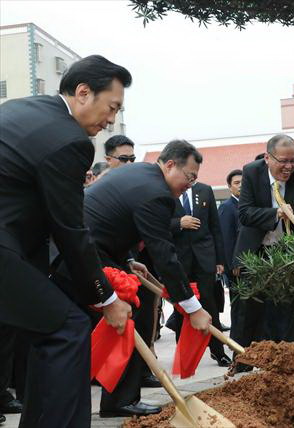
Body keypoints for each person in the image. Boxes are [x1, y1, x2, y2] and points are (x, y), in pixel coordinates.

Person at [0, 55, 133, 428]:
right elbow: (70, 229)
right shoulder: (70, 141)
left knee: (47, 325)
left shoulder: (22, 109)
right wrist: (106, 298)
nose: (110, 120)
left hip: (13, 244)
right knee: (67, 328)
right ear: (83, 93)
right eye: (112, 107)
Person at [56, 139, 212, 418]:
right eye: (189, 177)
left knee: (123, 315)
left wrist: (127, 261)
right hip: (83, 255)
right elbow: (164, 253)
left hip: (90, 250)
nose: (190, 184)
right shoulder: (156, 193)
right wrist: (193, 308)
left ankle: (117, 397)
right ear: (170, 165)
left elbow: (116, 218)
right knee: (123, 313)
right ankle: (115, 400)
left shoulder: (141, 174)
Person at [232, 134, 294, 357]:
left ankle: (288, 356)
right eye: (283, 161)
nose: (289, 166)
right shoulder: (252, 172)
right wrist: (275, 213)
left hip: (287, 252)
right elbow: (244, 213)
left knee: (288, 307)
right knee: (249, 307)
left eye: (293, 160)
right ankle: (244, 358)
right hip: (255, 251)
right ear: (267, 157)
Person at [167, 181, 230, 367]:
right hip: (178, 259)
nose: (191, 175)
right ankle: (184, 354)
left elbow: (215, 227)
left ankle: (218, 352)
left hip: (204, 257)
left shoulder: (205, 190)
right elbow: (158, 224)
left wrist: (219, 260)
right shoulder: (167, 189)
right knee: (181, 306)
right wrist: (179, 223)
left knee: (210, 304)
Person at [218, 170, 243, 334]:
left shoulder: (247, 205)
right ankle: (237, 339)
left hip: (249, 264)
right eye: (236, 183)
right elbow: (227, 240)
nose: (241, 186)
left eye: (243, 182)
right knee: (239, 306)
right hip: (236, 267)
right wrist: (234, 263)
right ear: (229, 187)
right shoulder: (227, 207)